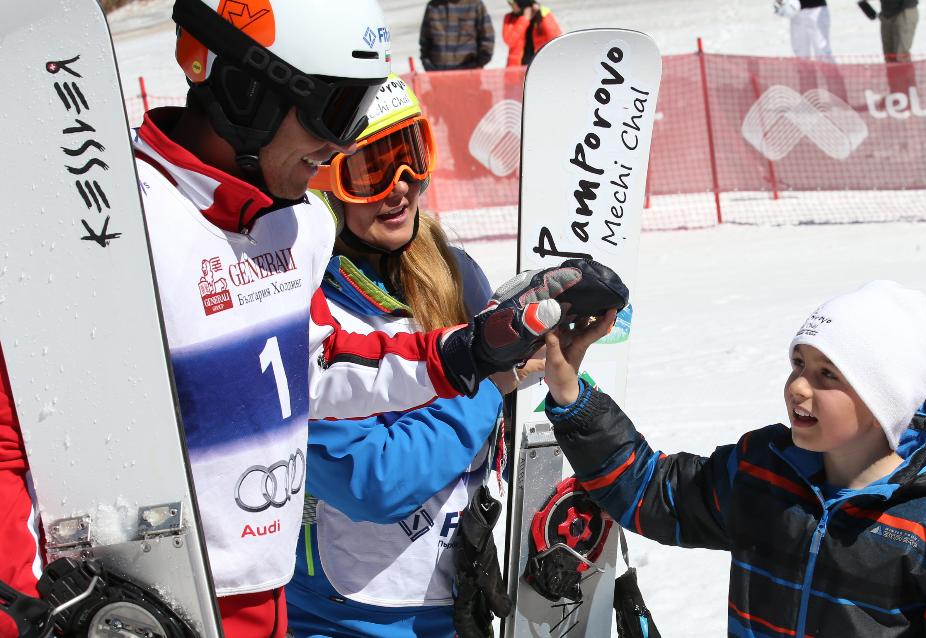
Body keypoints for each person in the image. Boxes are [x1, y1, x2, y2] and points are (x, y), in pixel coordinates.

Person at [0, 0, 620, 634]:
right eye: (337, 109)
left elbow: (318, 360)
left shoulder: (296, 227)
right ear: (246, 92)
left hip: (263, 598)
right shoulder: (112, 224)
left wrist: (470, 352)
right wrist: (19, 613)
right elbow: (9, 438)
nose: (341, 144)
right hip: (141, 606)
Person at [541, 280, 926, 636]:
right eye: (799, 363)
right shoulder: (764, 472)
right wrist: (571, 395)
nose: (798, 386)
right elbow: (653, 491)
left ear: (882, 401)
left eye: (827, 374)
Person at [287, 74, 533, 638]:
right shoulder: (309, 307)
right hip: (341, 615)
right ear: (327, 182)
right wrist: (490, 386)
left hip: (453, 596)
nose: (400, 186)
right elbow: (372, 480)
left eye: (411, 155)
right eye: (371, 170)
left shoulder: (455, 273)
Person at [419, 0, 495, 71]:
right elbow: (424, 41)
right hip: (437, 74)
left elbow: (487, 39)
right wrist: (428, 65)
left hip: (468, 74)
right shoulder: (433, 6)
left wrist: (477, 64)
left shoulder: (475, 5)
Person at [502, 0, 562, 67]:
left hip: (539, 65)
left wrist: (543, 15)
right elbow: (510, 41)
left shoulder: (542, 15)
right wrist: (524, 19)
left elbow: (555, 38)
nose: (510, 5)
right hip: (517, 67)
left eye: (511, 2)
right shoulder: (509, 18)